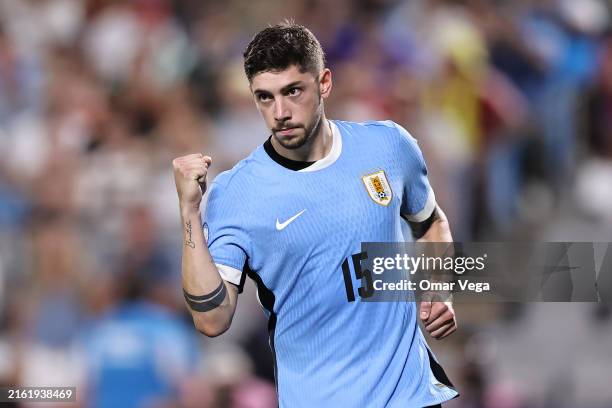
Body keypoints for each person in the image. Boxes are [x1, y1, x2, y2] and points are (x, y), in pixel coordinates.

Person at [172, 21, 458, 407]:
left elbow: (431, 223)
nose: (281, 112)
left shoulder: (388, 145)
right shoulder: (236, 192)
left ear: (324, 82)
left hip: (411, 395)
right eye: (265, 98)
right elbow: (212, 319)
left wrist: (438, 287)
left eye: (292, 91)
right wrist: (189, 213)